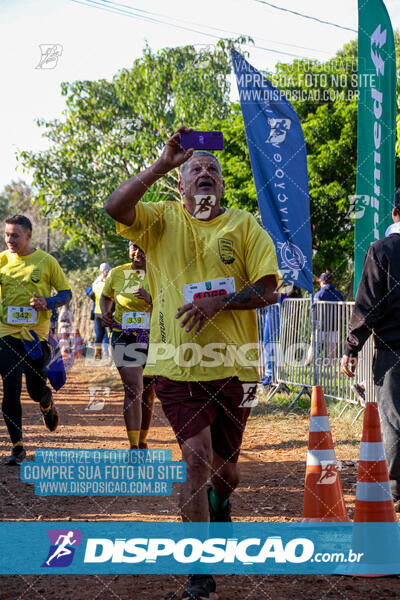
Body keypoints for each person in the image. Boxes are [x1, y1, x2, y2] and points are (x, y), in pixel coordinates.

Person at [105, 126, 279, 600]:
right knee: (195, 461)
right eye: (194, 169)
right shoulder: (159, 221)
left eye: (213, 170)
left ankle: (221, 504)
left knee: (227, 472)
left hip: (236, 367)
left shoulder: (243, 225)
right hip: (177, 366)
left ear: (222, 185)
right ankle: (199, 572)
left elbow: (268, 290)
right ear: (181, 185)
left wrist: (216, 304)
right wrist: (161, 163)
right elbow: (113, 207)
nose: (204, 173)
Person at [342, 189, 400, 511]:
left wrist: (352, 347)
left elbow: (368, 305)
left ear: (394, 213)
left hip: (393, 351)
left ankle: (392, 491)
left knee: (393, 421)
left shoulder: (382, 250)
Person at [0, 215, 72, 465]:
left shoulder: (46, 261)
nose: (10, 240)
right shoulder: (2, 260)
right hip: (6, 333)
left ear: (29, 235)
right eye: (7, 234)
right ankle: (17, 447)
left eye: (15, 235)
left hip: (35, 337)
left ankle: (46, 402)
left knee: (34, 389)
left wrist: (47, 303)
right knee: (10, 387)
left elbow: (66, 293)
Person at [100, 242, 155, 449]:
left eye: (142, 246)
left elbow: (171, 301)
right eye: (133, 247)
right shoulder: (117, 273)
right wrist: (106, 312)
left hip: (153, 337)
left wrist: (151, 299)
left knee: (148, 393)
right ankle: (133, 447)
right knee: (133, 387)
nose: (137, 251)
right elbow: (106, 296)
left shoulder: (160, 272)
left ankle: (142, 441)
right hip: (124, 335)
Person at [306, 272, 344, 366]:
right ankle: (332, 365)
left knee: (313, 345)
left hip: (320, 326)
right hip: (334, 325)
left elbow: (313, 311)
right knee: (332, 346)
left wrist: (313, 323)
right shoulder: (338, 294)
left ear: (323, 282)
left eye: (320, 282)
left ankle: (307, 362)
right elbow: (343, 309)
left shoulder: (319, 294)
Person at [91, 262, 111, 359]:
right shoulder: (99, 283)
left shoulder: (98, 283)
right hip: (102, 313)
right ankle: (100, 354)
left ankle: (105, 355)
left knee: (105, 335)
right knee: (102, 335)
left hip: (104, 312)